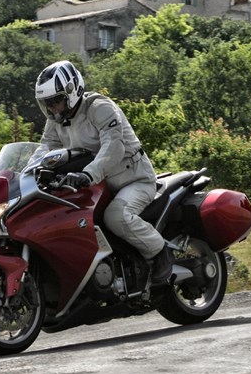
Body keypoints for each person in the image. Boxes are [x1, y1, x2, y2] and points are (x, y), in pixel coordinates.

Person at [34, 60, 173, 285]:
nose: (51, 108)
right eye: (46, 103)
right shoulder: (57, 120)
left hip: (133, 180)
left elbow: (113, 147)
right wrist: (24, 173)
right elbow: (44, 148)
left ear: (71, 92)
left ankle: (160, 252)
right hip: (96, 186)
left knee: (115, 216)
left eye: (54, 101)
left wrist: (88, 174)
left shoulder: (99, 108)